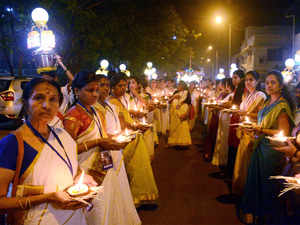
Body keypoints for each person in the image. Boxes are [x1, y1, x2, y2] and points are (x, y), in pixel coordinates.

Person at [0, 78, 97, 225]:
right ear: (25, 103)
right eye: (39, 98)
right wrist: (48, 197)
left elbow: (72, 171)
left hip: (74, 218)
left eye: (53, 100)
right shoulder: (12, 144)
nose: (47, 105)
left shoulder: (63, 136)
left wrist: (82, 180)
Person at [63, 71, 128, 225]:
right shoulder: (73, 116)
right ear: (77, 91)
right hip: (87, 170)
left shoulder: (96, 111)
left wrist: (116, 140)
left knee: (107, 205)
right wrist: (97, 142)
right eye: (90, 90)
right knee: (95, 212)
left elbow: (102, 136)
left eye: (96, 90)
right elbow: (67, 151)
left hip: (104, 163)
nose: (95, 94)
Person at [240, 71, 294, 224]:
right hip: (260, 146)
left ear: (281, 86)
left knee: (267, 185)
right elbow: (261, 124)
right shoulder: (267, 102)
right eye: (267, 82)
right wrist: (254, 129)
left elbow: (282, 132)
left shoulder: (281, 106)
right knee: (255, 180)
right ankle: (255, 211)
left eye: (273, 83)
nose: (269, 86)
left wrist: (260, 130)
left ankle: (267, 216)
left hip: (272, 151)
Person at [94, 74, 141, 225]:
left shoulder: (111, 106)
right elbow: (100, 135)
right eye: (102, 85)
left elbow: (119, 127)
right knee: (106, 191)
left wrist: (125, 135)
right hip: (103, 153)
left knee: (119, 186)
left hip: (116, 149)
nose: (106, 88)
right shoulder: (94, 108)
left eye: (107, 85)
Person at [107, 73, 159, 206]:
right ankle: (134, 198)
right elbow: (122, 122)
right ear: (112, 88)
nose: (123, 88)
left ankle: (138, 196)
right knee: (134, 166)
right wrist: (136, 127)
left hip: (132, 135)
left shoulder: (119, 99)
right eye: (120, 86)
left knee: (140, 163)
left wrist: (136, 127)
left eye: (125, 85)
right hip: (125, 138)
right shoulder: (112, 102)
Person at [232, 71, 266, 195]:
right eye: (246, 80)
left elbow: (261, 115)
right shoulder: (247, 95)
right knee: (241, 161)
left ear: (257, 81)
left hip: (252, 132)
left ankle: (249, 191)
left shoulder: (260, 95)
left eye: (251, 80)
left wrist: (245, 114)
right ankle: (240, 188)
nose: (248, 82)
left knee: (248, 163)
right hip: (244, 131)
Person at [168, 81, 192, 148]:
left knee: (182, 126)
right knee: (174, 127)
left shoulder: (187, 93)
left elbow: (189, 103)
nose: (178, 86)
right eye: (178, 85)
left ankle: (183, 142)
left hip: (183, 111)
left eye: (180, 85)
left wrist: (186, 112)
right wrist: (174, 97)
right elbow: (169, 101)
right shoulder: (175, 92)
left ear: (183, 86)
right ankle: (174, 142)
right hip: (174, 112)